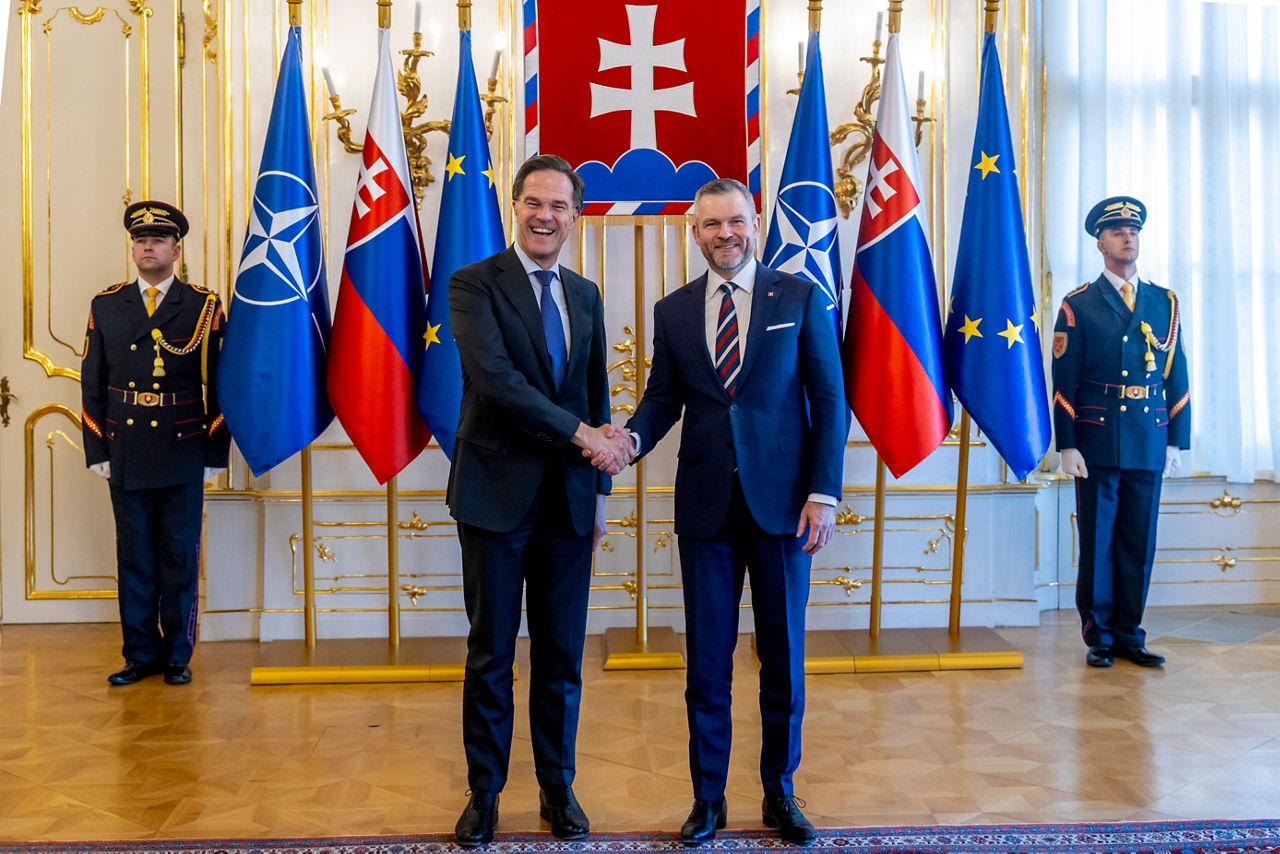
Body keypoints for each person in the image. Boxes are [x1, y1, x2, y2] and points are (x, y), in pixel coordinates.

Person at [603, 178, 846, 844]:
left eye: (735, 221)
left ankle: (779, 793)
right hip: (706, 512)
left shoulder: (798, 296)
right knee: (706, 664)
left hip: (785, 510)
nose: (725, 234)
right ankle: (707, 798)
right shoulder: (674, 310)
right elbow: (660, 401)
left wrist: (823, 493)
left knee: (784, 660)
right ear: (695, 231)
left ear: (755, 222)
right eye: (711, 225)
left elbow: (829, 400)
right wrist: (630, 437)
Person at [446, 154, 631, 847]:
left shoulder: (583, 293)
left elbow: (591, 391)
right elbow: (495, 380)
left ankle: (558, 787)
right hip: (494, 495)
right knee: (492, 652)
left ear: (574, 216)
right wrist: (583, 434)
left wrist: (600, 481)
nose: (544, 215)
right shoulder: (474, 285)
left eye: (558, 205)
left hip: (569, 503)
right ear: (515, 208)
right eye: (533, 202)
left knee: (561, 654)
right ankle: (485, 795)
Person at [81, 200, 229, 687]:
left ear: (176, 248)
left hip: (183, 445)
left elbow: (220, 384)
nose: (148, 245)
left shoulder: (204, 306)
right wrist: (97, 448)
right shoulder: (106, 304)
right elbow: (92, 384)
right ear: (133, 247)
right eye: (141, 239)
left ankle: (176, 655)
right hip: (124, 448)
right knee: (136, 557)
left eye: (159, 239)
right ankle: (139, 654)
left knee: (178, 558)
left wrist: (214, 451)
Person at [1052, 195, 1190, 669]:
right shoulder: (1079, 304)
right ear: (1100, 242)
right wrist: (1066, 443)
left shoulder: (1163, 302)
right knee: (1099, 540)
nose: (1128, 237)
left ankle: (1131, 632)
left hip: (1148, 435)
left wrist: (1177, 438)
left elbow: (1177, 375)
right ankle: (1100, 635)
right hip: (1097, 438)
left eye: (1133, 230)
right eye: (1117, 231)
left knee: (1138, 539)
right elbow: (1063, 381)